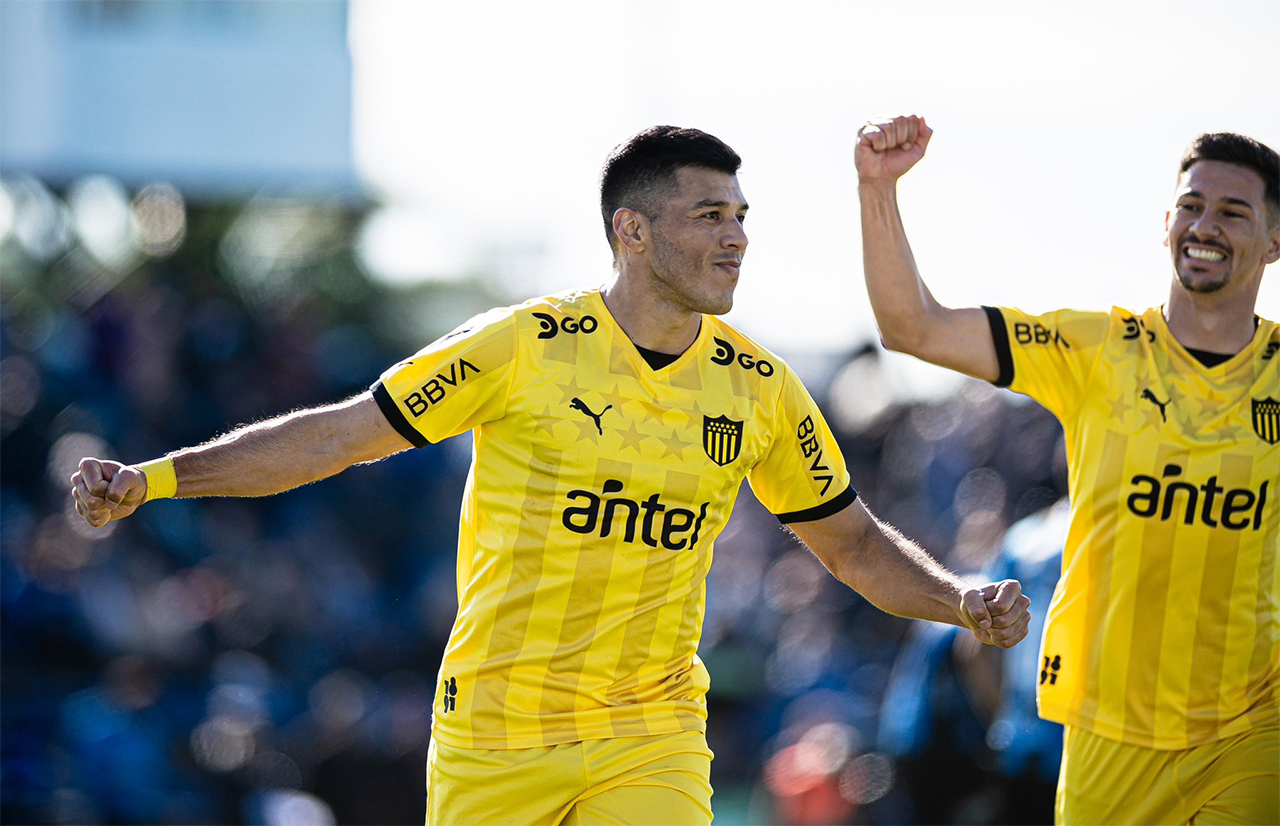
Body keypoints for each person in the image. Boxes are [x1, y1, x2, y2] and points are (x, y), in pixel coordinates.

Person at [72, 125, 1031, 826]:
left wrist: (958, 600)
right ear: (633, 232)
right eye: (709, 215)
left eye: (742, 216)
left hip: (649, 732)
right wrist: (156, 479)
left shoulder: (762, 390)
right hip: (496, 732)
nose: (736, 236)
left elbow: (850, 543)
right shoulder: (522, 345)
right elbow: (340, 437)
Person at [855, 114, 1278, 824]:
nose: (1205, 226)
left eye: (1233, 212)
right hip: (1104, 731)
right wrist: (878, 189)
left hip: (1249, 732)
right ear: (1167, 224)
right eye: (1191, 206)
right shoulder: (1097, 349)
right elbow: (912, 326)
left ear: (1274, 241)